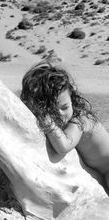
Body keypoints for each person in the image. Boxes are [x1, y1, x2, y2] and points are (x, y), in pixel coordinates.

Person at [21, 60, 109, 190]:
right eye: (52, 111)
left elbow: (63, 146)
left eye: (65, 107)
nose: (61, 114)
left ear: (72, 98)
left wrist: (47, 120)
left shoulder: (79, 121)